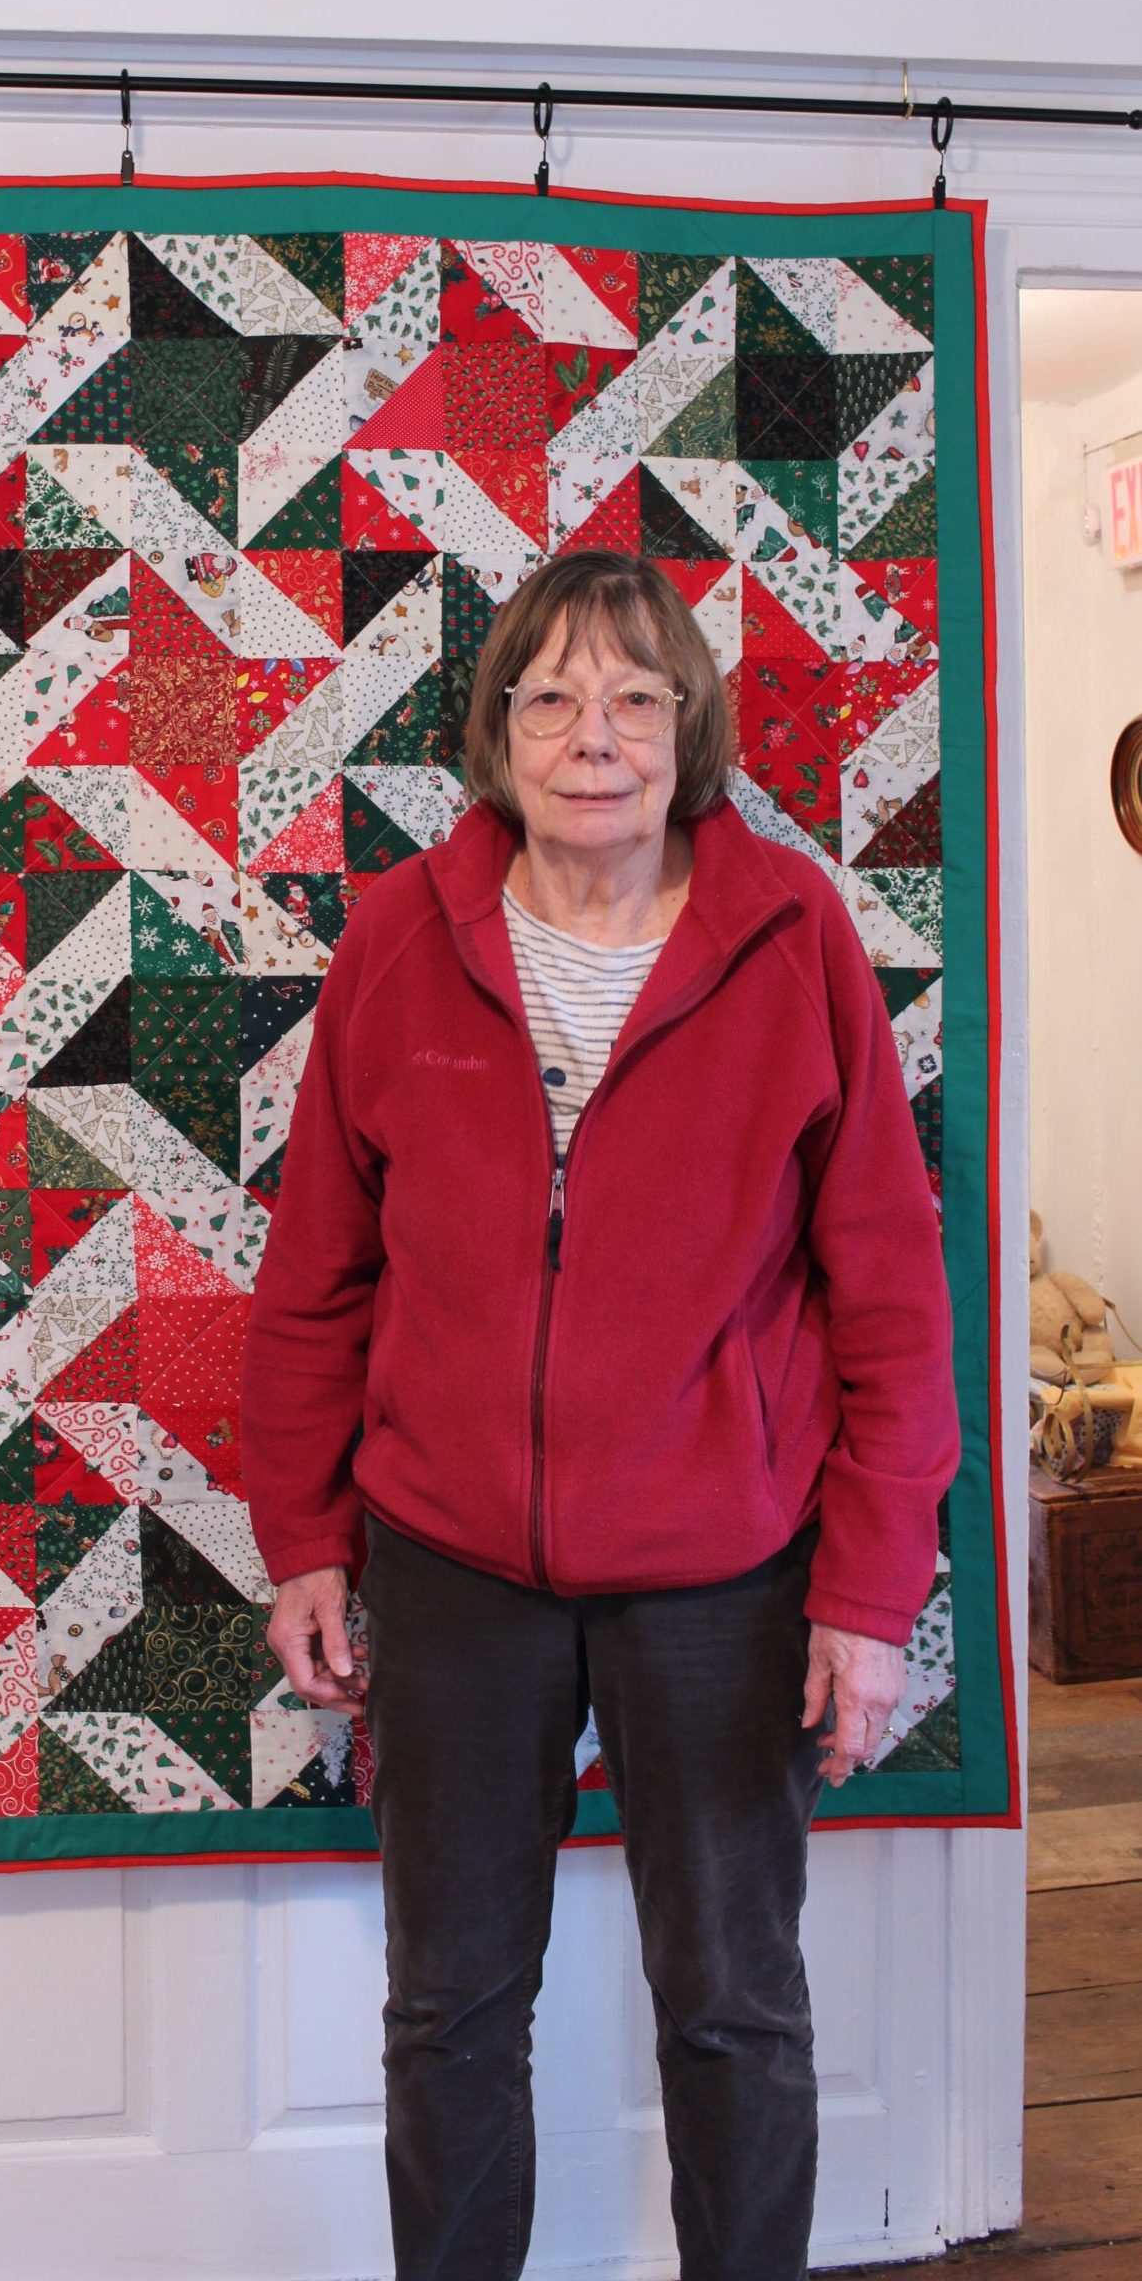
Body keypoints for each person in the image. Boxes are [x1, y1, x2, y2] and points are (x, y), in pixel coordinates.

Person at [237, 548, 961, 2281]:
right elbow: (318, 1274)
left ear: (690, 727)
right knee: (452, 2010)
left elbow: (888, 1294)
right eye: (548, 694)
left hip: (724, 1567)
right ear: (496, 733)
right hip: (452, 1564)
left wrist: (867, 1599)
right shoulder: (403, 942)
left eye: (637, 695)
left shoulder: (796, 940)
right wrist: (304, 1542)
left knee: (731, 2006)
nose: (594, 736)